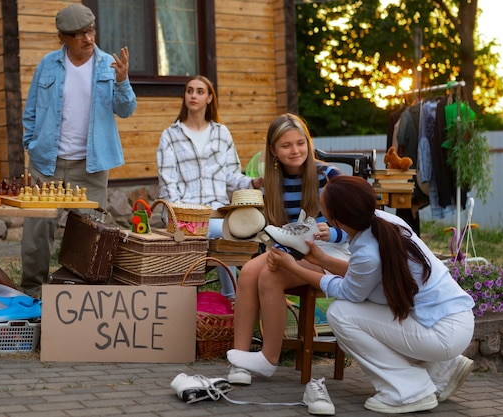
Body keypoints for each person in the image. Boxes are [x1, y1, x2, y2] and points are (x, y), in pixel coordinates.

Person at [266, 175, 475, 414]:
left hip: (443, 331)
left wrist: (293, 267)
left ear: (336, 220)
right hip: (451, 320)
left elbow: (348, 292)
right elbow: (364, 276)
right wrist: (322, 259)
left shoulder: (367, 249)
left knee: (341, 314)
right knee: (360, 311)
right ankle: (442, 370)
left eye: (322, 206)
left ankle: (409, 392)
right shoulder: (383, 222)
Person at [21, 3, 137, 298]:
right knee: (36, 236)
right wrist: (31, 144)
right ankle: (33, 296)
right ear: (63, 38)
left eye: (91, 30)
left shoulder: (108, 66)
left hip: (91, 167)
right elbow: (31, 110)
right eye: (80, 34)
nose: (88, 38)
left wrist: (122, 81)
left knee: (89, 239)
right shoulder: (47, 65)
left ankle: (79, 298)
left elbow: (126, 110)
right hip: (46, 164)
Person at [225, 113, 349, 389]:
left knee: (270, 275)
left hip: (329, 253)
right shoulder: (272, 181)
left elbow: (356, 225)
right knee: (247, 274)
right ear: (273, 151)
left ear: (308, 143)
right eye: (286, 146)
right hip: (291, 249)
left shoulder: (328, 176)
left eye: (300, 143)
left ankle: (269, 357)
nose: (295, 151)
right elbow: (281, 230)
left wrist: (334, 231)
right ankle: (241, 359)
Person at [157, 74, 262, 300]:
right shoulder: (170, 135)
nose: (193, 95)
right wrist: (180, 217)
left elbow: (231, 176)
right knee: (221, 231)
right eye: (189, 91)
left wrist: (253, 183)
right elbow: (168, 183)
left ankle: (231, 299)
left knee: (223, 229)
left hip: (216, 210)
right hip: (184, 213)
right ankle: (231, 296)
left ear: (209, 98)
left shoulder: (221, 133)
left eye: (200, 91)